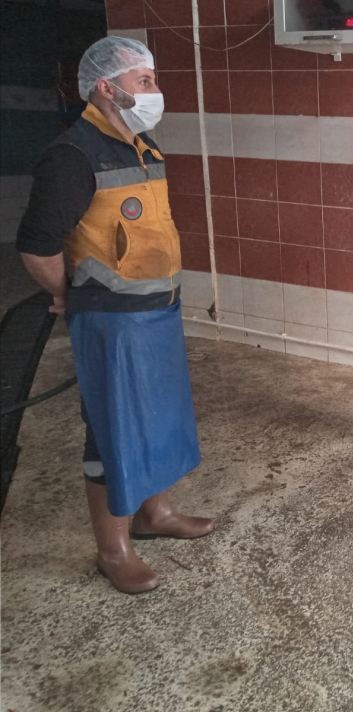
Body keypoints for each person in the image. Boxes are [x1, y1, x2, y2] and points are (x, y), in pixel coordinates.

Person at [16, 37, 214, 595]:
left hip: (158, 310)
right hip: (111, 320)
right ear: (107, 88)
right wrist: (69, 294)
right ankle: (113, 550)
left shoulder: (143, 146)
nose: (155, 91)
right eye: (144, 81)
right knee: (113, 430)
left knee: (159, 418)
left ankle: (156, 514)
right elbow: (37, 245)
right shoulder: (73, 154)